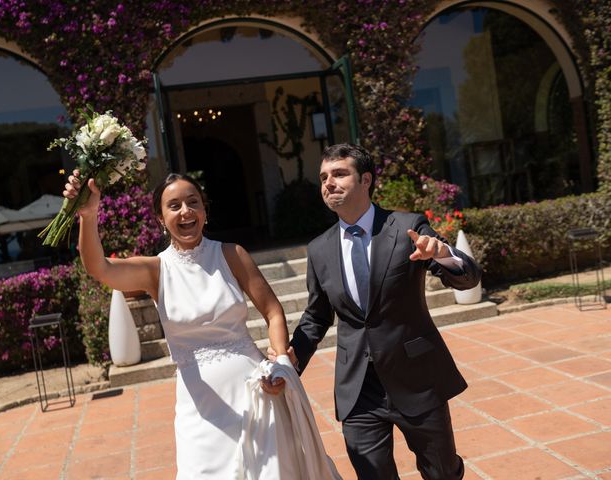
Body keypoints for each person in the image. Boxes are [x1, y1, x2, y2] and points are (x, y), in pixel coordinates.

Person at [64, 171, 340, 480]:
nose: (185, 211)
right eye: (174, 205)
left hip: (257, 392)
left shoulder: (232, 254)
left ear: (204, 210)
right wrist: (88, 217)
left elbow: (273, 311)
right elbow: (99, 268)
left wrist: (281, 362)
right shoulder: (156, 270)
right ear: (160, 218)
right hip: (200, 408)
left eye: (193, 202)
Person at [273, 144, 481, 480]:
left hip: (415, 377)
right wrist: (293, 356)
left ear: (366, 179)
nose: (328, 183)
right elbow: (317, 315)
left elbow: (468, 276)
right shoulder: (319, 249)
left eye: (339, 174)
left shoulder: (407, 227)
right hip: (358, 386)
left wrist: (443, 254)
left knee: (442, 471)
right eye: (323, 177)